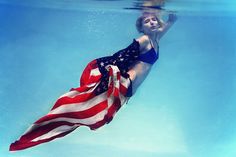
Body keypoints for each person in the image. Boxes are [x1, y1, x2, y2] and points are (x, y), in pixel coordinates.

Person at [10, 11, 177, 151]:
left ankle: (47, 126)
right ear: (142, 28)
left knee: (92, 115)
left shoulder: (155, 39)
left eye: (154, 19)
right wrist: (107, 77)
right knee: (85, 110)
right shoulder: (145, 40)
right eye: (147, 21)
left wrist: (171, 21)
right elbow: (120, 57)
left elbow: (162, 31)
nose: (152, 22)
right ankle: (39, 129)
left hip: (128, 92)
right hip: (124, 86)